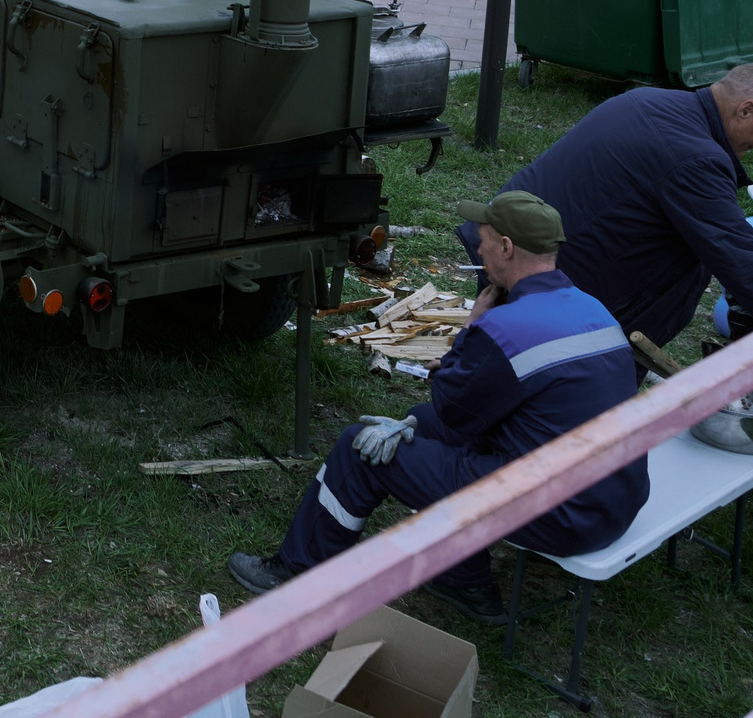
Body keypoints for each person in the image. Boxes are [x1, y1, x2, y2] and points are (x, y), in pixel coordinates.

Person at [229, 191, 648, 623]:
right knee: (422, 423)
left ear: (506, 247)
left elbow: (454, 408)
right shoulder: (593, 309)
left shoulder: (505, 327)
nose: (479, 249)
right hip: (614, 496)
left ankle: (300, 575)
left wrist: (471, 332)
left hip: (560, 514)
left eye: (484, 240)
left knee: (363, 448)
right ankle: (463, 582)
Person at [476, 63, 753, 361]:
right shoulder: (696, 159)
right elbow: (745, 267)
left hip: (502, 244)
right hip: (544, 287)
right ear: (746, 109)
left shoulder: (651, 99)